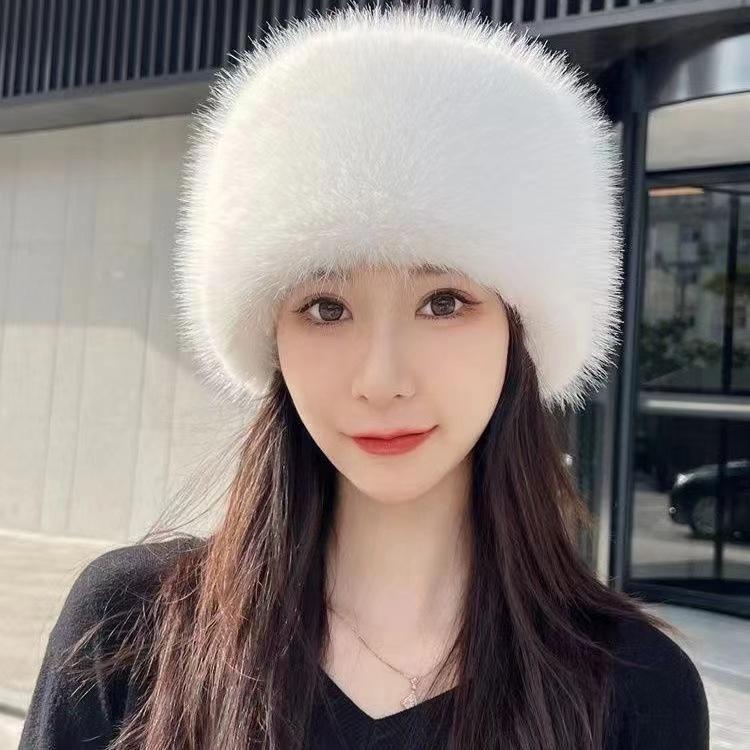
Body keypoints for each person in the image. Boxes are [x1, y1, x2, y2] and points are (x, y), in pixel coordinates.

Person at [19, 3, 710, 749]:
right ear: (272, 336)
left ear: (520, 333)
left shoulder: (636, 688)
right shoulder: (128, 628)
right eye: (326, 307)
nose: (380, 380)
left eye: (443, 302)